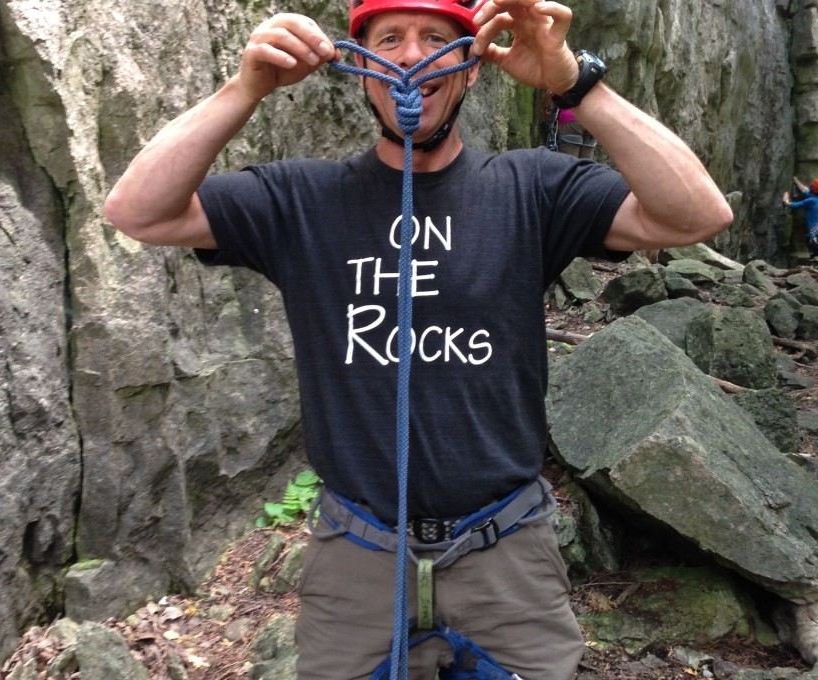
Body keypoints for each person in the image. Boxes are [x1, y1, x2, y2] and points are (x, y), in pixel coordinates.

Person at [103, 0, 733, 677]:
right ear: (360, 67)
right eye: (390, 39)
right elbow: (138, 210)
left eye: (435, 38)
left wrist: (573, 82)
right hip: (357, 558)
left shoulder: (531, 189)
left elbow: (696, 213)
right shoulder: (301, 201)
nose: (410, 56)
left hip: (506, 554)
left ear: (469, 67)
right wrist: (246, 87)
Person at [542, 91, 596, 158]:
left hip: (571, 119)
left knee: (570, 160)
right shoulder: (587, 82)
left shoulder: (559, 85)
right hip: (593, 118)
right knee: (586, 160)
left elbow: (548, 110)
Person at [783, 177, 818, 258]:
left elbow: (794, 205)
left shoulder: (810, 201)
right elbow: (805, 190)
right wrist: (796, 180)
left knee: (815, 259)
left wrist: (786, 200)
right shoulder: (813, 198)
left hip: (815, 235)